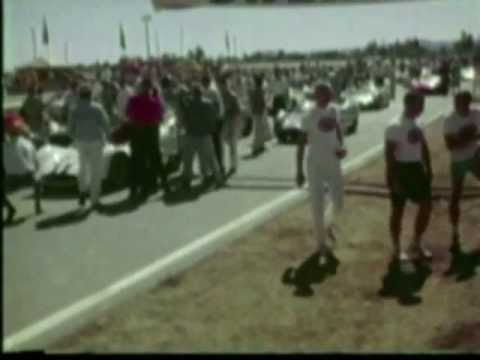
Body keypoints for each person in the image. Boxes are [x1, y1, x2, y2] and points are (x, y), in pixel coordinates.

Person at [296, 83, 348, 266]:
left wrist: (342, 147)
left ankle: (327, 225)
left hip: (333, 162)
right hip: (315, 165)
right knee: (316, 205)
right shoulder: (309, 115)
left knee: (339, 202)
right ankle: (321, 245)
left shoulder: (335, 110)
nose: (328, 97)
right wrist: (298, 171)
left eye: (330, 94)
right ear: (316, 96)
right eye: (324, 94)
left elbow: (338, 130)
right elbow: (301, 143)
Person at [385, 92, 433, 262]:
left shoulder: (418, 122)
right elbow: (389, 155)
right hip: (400, 169)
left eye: (423, 105)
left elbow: (423, 145)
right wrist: (393, 179)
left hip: (417, 169)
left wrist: (429, 167)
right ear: (408, 104)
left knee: (427, 206)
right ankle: (397, 248)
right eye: (419, 105)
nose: (422, 108)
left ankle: (416, 242)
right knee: (398, 211)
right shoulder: (394, 126)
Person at [443, 91, 480, 254]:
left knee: (455, 196)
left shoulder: (476, 114)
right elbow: (450, 146)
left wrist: (462, 139)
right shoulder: (450, 120)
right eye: (457, 102)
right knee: (455, 195)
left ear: (468, 102)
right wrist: (471, 137)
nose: (458, 105)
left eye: (462, 102)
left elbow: (457, 141)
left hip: (475, 157)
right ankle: (454, 233)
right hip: (458, 161)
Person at [68, 84, 110, 210]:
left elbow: (70, 127)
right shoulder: (97, 107)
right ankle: (94, 199)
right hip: (95, 140)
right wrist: (108, 136)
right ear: (90, 95)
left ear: (79, 95)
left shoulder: (74, 109)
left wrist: (73, 137)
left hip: (80, 140)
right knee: (95, 170)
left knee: (82, 168)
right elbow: (105, 123)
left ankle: (82, 190)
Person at [127, 78, 169, 203]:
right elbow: (161, 118)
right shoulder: (156, 102)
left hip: (138, 134)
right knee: (156, 160)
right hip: (151, 134)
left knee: (137, 163)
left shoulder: (134, 101)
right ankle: (164, 186)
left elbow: (128, 114)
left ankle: (135, 189)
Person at [181, 84, 224, 190]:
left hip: (191, 134)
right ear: (201, 93)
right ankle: (217, 177)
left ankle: (187, 179)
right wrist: (211, 130)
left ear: (193, 94)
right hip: (205, 134)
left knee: (188, 159)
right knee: (211, 157)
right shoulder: (208, 104)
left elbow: (184, 119)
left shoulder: (189, 104)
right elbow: (213, 119)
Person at [3, 112, 43, 214]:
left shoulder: (4, 146)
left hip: (11, 179)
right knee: (38, 178)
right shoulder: (28, 143)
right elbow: (36, 163)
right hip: (28, 177)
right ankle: (38, 207)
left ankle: (10, 209)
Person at [201, 74, 225, 176]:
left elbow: (216, 106)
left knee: (215, 144)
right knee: (212, 144)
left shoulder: (212, 91)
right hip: (211, 120)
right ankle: (216, 167)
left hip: (215, 121)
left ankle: (219, 166)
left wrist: (213, 120)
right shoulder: (207, 90)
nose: (203, 84)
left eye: (204, 82)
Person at [218, 75, 242, 175]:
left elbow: (238, 111)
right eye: (221, 85)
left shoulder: (232, 96)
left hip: (231, 121)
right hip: (223, 122)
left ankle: (233, 165)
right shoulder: (219, 96)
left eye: (224, 85)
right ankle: (222, 165)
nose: (223, 87)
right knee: (221, 144)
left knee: (232, 145)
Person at [250, 73, 270, 156]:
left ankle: (260, 145)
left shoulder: (253, 91)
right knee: (259, 130)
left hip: (255, 111)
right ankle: (256, 146)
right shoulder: (260, 91)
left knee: (258, 129)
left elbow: (252, 102)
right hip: (260, 112)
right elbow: (262, 102)